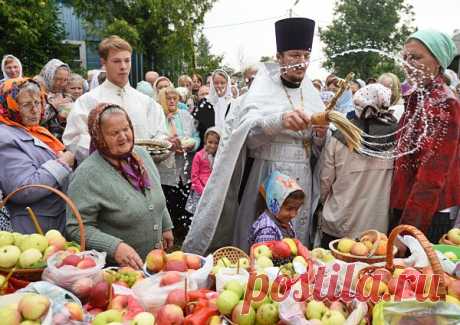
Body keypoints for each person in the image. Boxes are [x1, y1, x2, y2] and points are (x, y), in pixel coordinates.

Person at [182, 17, 327, 254]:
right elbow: (246, 138)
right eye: (294, 55)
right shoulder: (262, 89)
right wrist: (278, 121)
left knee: (295, 245)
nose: (301, 62)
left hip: (302, 177)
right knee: (263, 247)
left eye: (305, 56)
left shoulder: (311, 93)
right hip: (267, 173)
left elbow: (316, 148)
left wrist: (320, 136)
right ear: (279, 57)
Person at [66, 103, 174, 268]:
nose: (123, 136)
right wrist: (114, 247)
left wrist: (165, 225)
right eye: (114, 133)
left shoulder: (142, 155)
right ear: (99, 137)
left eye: (126, 129)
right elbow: (76, 227)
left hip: (152, 264)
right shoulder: (87, 174)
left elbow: (152, 194)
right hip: (116, 272)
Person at [390, 29, 460, 244]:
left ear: (438, 61)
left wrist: (408, 232)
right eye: (406, 57)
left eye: (416, 57)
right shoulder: (416, 97)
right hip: (405, 206)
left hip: (428, 214)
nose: (408, 63)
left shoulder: (444, 104)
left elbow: (432, 177)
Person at [62, 36, 168, 163]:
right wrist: (111, 154)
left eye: (127, 60)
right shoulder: (87, 101)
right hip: (103, 175)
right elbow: (74, 141)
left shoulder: (147, 102)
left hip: (144, 173)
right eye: (116, 61)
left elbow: (160, 136)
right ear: (104, 62)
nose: (123, 66)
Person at [320, 84, 398, 248]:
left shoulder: (339, 136)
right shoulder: (397, 137)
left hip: (340, 222)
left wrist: (320, 205)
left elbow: (324, 182)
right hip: (377, 229)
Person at [0, 78, 74, 234]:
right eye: (26, 105)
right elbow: (23, 189)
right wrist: (62, 164)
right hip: (34, 229)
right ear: (10, 106)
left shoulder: (36, 130)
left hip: (54, 223)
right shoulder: (5, 137)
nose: (35, 110)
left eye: (37, 102)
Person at [156, 87, 200, 242]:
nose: (172, 101)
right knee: (168, 202)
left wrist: (192, 144)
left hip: (184, 167)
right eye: (168, 99)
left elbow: (195, 136)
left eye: (175, 98)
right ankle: (168, 234)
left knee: (184, 201)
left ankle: (182, 235)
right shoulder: (157, 117)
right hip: (165, 169)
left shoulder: (185, 115)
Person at [249, 171, 304, 248]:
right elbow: (264, 258)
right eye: (289, 209)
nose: (293, 214)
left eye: (297, 209)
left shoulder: (282, 220)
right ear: (275, 205)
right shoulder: (267, 231)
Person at [185, 127, 221, 214]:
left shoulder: (218, 157)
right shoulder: (199, 155)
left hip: (211, 190)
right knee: (196, 214)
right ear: (205, 141)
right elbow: (194, 177)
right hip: (199, 191)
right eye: (210, 142)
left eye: (216, 143)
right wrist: (202, 191)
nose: (212, 145)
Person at [194, 69, 233, 148]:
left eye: (222, 83)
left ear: (227, 83)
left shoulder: (233, 103)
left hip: (228, 147)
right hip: (208, 147)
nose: (219, 86)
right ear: (212, 84)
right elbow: (198, 125)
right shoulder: (205, 102)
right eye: (216, 83)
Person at [40, 59, 73, 140]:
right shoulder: (37, 92)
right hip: (43, 140)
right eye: (58, 79)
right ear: (49, 76)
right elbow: (37, 119)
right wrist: (53, 106)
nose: (62, 83)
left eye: (65, 80)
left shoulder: (66, 95)